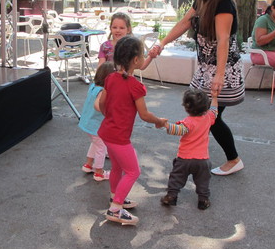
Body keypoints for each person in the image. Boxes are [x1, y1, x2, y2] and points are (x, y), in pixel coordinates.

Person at [153, 0, 244, 176]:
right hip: (205, 67)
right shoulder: (202, 0)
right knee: (201, 113)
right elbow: (184, 23)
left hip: (223, 67)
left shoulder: (224, 4)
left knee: (210, 118)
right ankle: (195, 152)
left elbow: (223, 40)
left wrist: (219, 75)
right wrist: (162, 43)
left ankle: (233, 159)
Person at [98, 36, 166, 225]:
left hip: (106, 132)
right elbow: (144, 115)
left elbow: (102, 103)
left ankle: (115, 197)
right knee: (133, 171)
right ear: (135, 60)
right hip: (119, 137)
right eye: (143, 54)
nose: (144, 57)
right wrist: (159, 121)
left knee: (118, 168)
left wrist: (109, 116)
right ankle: (115, 209)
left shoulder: (111, 78)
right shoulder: (135, 86)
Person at [160, 89, 218, 210]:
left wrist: (165, 124)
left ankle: (171, 195)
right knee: (203, 180)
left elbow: (176, 130)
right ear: (206, 107)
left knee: (176, 177)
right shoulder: (208, 117)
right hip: (203, 160)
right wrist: (215, 97)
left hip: (184, 158)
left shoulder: (188, 122)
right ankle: (203, 200)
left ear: (186, 107)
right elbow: (215, 111)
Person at [79, 62, 116, 182]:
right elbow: (97, 105)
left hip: (87, 124)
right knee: (101, 147)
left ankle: (88, 164)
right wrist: (107, 112)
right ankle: (99, 172)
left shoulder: (93, 86)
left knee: (95, 143)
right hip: (96, 126)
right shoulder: (102, 91)